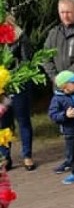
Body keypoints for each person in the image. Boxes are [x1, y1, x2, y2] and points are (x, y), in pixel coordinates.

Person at [0, 16, 36, 170]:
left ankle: (27, 155)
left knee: (23, 121)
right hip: (2, 90)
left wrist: (11, 77)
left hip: (18, 86)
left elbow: (27, 61)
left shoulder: (21, 38)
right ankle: (5, 157)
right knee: (3, 123)